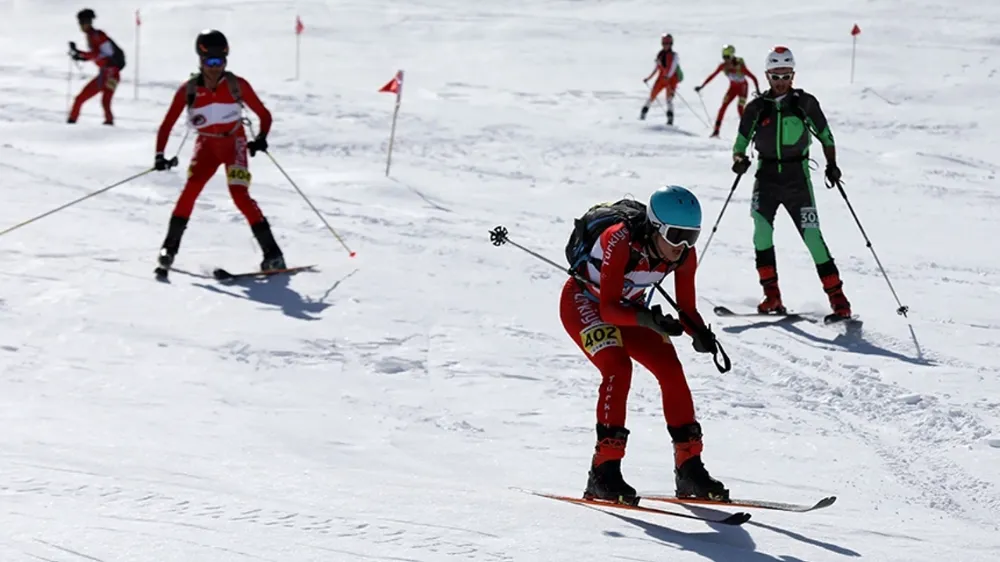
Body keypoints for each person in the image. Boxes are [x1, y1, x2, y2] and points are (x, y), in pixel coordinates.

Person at [560, 185, 728, 504]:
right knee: (617, 367)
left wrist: (700, 333)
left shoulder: (683, 256)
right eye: (676, 235)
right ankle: (603, 471)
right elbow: (608, 308)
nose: (682, 246)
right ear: (654, 227)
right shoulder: (619, 240)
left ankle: (689, 467)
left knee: (670, 369)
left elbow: (687, 309)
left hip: (631, 310)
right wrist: (649, 320)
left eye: (691, 237)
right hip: (585, 304)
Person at [152, 29, 286, 274]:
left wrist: (261, 138)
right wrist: (159, 155)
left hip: (234, 143)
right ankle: (168, 249)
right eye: (209, 62)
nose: (215, 68)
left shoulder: (238, 85)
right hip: (206, 146)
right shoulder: (189, 89)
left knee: (239, 195)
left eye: (219, 62)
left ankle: (273, 254)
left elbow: (264, 115)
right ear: (200, 61)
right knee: (189, 191)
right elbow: (166, 125)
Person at [732, 46, 851, 318]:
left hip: (798, 178)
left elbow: (826, 136)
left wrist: (832, 165)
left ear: (793, 75)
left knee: (812, 236)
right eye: (775, 76)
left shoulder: (804, 103)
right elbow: (739, 144)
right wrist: (739, 159)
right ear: (767, 75)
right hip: (766, 177)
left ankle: (839, 301)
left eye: (785, 75)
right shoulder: (756, 107)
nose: (781, 81)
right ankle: (771, 296)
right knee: (761, 232)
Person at [67, 8, 126, 125]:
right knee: (105, 101)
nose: (80, 26)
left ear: (87, 23)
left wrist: (81, 55)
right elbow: (98, 56)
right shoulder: (93, 35)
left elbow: (101, 55)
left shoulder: (96, 35)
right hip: (113, 75)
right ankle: (109, 123)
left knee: (80, 99)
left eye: (81, 23)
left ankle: (71, 123)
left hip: (106, 75)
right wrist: (81, 55)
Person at [694, 44, 760, 138]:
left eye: (727, 57)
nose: (726, 60)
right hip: (732, 88)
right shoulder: (723, 66)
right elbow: (712, 76)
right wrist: (702, 86)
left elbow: (753, 78)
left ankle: (747, 131)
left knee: (740, 108)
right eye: (724, 57)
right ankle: (716, 131)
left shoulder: (739, 66)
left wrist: (758, 90)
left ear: (732, 56)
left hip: (743, 88)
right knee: (723, 107)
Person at [640, 34, 684, 125]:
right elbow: (656, 68)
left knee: (669, 99)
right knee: (652, 96)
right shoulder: (660, 55)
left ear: (671, 44)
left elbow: (673, 67)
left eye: (667, 43)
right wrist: (649, 78)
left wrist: (668, 76)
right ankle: (643, 113)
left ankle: (670, 119)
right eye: (664, 43)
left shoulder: (674, 55)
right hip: (661, 79)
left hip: (671, 80)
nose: (665, 45)